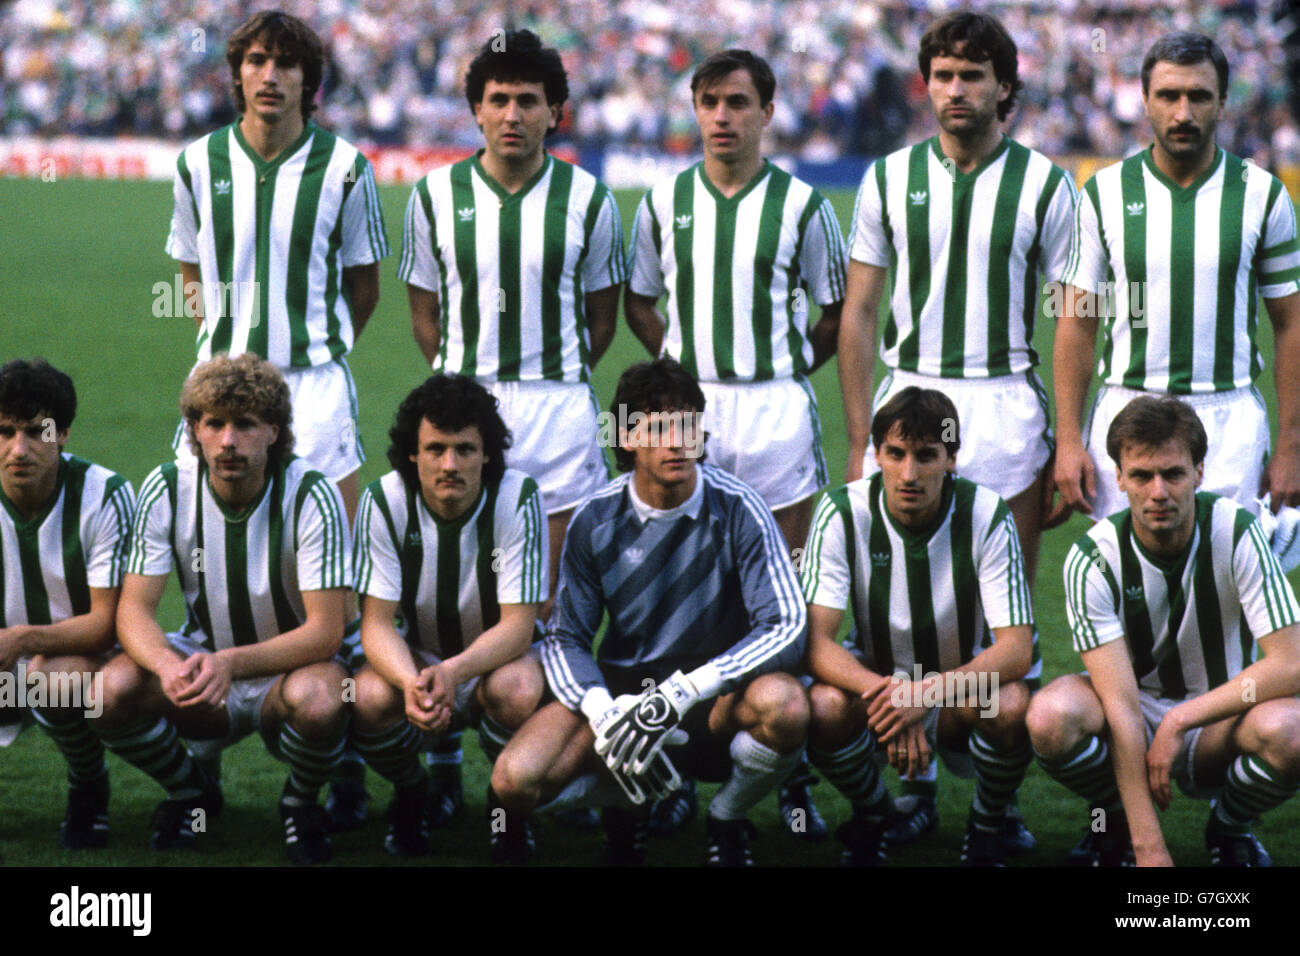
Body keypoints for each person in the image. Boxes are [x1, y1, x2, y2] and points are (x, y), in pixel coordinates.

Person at [836, 9, 1071, 845]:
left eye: (973, 76)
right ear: (925, 83)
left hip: (1006, 406)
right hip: (908, 403)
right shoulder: (887, 179)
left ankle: (992, 803)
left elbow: (1074, 315)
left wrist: (1068, 438)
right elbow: (859, 311)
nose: (956, 89)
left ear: (1003, 87)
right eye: (943, 74)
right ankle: (913, 782)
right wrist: (861, 430)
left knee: (997, 620)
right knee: (895, 608)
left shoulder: (1046, 183)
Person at [625, 47, 845, 838]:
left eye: (738, 102)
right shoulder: (664, 201)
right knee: (689, 585)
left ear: (767, 112)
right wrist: (686, 375)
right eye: (710, 101)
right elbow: (642, 304)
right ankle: (682, 754)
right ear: (695, 108)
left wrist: (781, 369)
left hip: (779, 411)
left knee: (785, 593)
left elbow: (833, 313)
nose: (723, 116)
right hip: (694, 411)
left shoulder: (803, 205)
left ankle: (787, 768)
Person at [490, 358, 809, 866]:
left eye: (687, 425)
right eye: (658, 428)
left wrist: (687, 690)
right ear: (627, 438)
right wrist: (604, 711)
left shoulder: (740, 508)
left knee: (786, 707)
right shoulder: (595, 518)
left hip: (713, 702)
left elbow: (787, 625)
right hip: (626, 703)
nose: (677, 441)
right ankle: (625, 807)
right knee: (516, 781)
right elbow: (564, 636)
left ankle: (726, 816)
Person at [92, 354, 351, 864]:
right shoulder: (167, 487)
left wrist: (229, 665)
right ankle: (191, 793)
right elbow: (134, 612)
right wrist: (169, 667)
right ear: (194, 430)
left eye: (245, 424)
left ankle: (300, 804)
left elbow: (326, 631)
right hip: (201, 666)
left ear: (274, 431)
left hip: (288, 672)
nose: (228, 440)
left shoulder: (312, 493)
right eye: (214, 424)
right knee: (106, 692)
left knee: (325, 700)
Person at [1029, 396, 1300, 867]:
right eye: (1141, 475)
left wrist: (1181, 719)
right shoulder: (1092, 558)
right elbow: (1120, 707)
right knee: (1049, 717)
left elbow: (1292, 664)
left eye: (1173, 474)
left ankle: (1230, 827)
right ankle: (1112, 820)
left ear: (1199, 471)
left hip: (1219, 716)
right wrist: (1149, 846)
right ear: (1118, 478)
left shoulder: (1238, 532)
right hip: (1130, 712)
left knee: (1294, 732)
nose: (1158, 491)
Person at [1053, 32, 1300, 525]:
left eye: (1199, 96)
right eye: (1168, 96)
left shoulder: (1264, 196)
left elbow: (1291, 324)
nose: (1183, 113)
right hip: (1127, 415)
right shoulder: (1102, 193)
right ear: (1144, 101)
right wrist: (1066, 442)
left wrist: (1292, 446)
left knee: (1223, 591)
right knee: (1132, 592)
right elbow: (1076, 319)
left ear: (1223, 103)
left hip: (1227, 421)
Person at [165, 9, 389, 520]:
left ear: (308, 80)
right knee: (212, 559)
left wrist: (316, 341)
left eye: (286, 64)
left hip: (315, 387)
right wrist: (225, 342)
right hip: (219, 385)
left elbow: (365, 286)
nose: (270, 76)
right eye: (257, 61)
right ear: (237, 73)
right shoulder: (197, 164)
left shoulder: (346, 169)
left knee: (332, 560)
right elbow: (190, 273)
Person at [801, 387, 1036, 865]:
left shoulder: (986, 513)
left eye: (927, 456)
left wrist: (924, 694)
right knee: (822, 707)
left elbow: (1016, 650)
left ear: (952, 458)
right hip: (878, 689)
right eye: (896, 453)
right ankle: (874, 815)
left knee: (1010, 704)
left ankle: (988, 823)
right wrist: (891, 694)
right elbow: (817, 644)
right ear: (876, 455)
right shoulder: (842, 511)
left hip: (957, 690)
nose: (909, 473)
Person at [350, 375, 547, 860]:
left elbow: (520, 626)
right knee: (369, 695)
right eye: (435, 449)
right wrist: (411, 679)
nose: (449, 464)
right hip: (417, 655)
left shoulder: (517, 497)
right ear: (412, 453)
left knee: (519, 690)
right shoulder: (384, 501)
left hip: (496, 659)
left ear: (487, 454)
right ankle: (414, 791)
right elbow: (374, 624)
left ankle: (505, 809)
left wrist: (452, 672)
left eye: (465, 449)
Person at [0, 359, 134, 849]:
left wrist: (20, 639)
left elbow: (105, 624)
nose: (19, 449)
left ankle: (89, 786)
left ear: (64, 434)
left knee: (52, 679)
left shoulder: (105, 495)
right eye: (5, 431)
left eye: (37, 432)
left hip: (87, 659)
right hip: (8, 665)